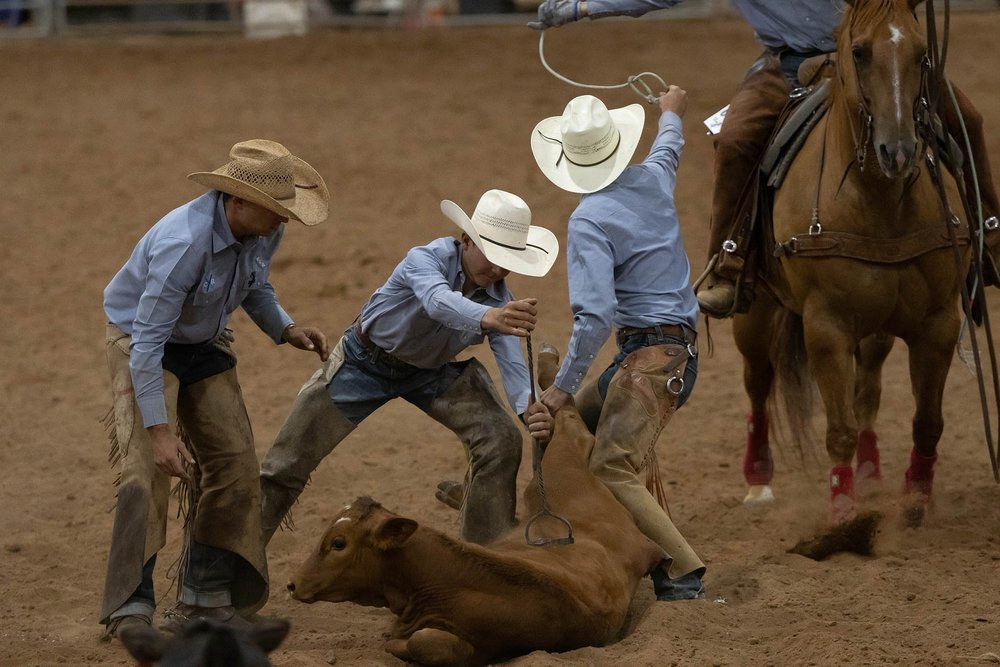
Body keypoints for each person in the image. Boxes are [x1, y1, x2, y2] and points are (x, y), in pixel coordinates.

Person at [530, 0, 1000, 316]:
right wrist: (578, 7)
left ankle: (989, 233)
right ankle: (728, 258)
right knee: (734, 140)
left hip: (875, 59)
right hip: (789, 65)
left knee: (968, 121)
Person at [99, 139, 332, 640]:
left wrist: (285, 328)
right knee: (146, 469)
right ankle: (129, 607)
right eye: (275, 211)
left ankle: (204, 600)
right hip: (144, 343)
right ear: (238, 202)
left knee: (235, 465)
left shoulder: (263, 231)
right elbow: (147, 342)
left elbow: (255, 285)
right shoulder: (182, 244)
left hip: (203, 338)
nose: (283, 221)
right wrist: (160, 432)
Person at [259, 189, 558, 547]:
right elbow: (437, 302)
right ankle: (229, 568)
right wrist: (489, 316)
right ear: (466, 241)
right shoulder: (424, 259)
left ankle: (484, 557)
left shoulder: (500, 302)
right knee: (286, 463)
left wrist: (530, 409)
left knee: (502, 438)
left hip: (430, 373)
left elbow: (513, 367)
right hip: (362, 363)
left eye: (507, 261)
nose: (497, 269)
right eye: (492, 255)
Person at [530, 87, 706, 600]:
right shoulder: (652, 178)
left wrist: (562, 386)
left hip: (646, 363)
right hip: (665, 356)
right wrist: (671, 109)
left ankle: (681, 571)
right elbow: (668, 144)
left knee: (609, 462)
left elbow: (596, 316)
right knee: (577, 429)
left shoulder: (588, 219)